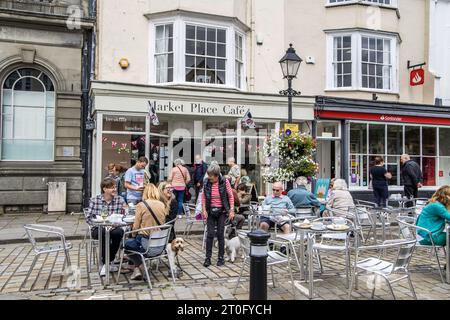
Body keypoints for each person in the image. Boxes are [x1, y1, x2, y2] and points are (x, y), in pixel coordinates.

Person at [124, 184, 169, 280]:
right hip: (159, 244)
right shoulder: (162, 205)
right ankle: (137, 269)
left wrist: (133, 235)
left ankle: (140, 265)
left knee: (125, 244)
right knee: (133, 244)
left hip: (145, 243)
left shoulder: (141, 205)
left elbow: (135, 226)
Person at [86, 178, 127, 276]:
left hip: (114, 227)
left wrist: (125, 210)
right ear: (104, 189)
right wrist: (99, 222)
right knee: (104, 233)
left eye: (115, 187)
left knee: (118, 233)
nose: (115, 189)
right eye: (112, 188)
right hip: (99, 228)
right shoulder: (95, 200)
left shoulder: (119, 199)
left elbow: (125, 215)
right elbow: (88, 218)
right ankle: (107, 263)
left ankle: (107, 262)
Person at [202, 164, 235, 267]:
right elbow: (203, 197)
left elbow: (230, 196)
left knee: (220, 234)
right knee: (210, 234)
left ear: (216, 175)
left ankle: (221, 258)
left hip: (222, 211)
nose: (209, 177)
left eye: (211, 175)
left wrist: (231, 210)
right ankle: (208, 258)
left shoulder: (224, 182)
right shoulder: (206, 182)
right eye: (208, 175)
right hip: (210, 210)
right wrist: (204, 210)